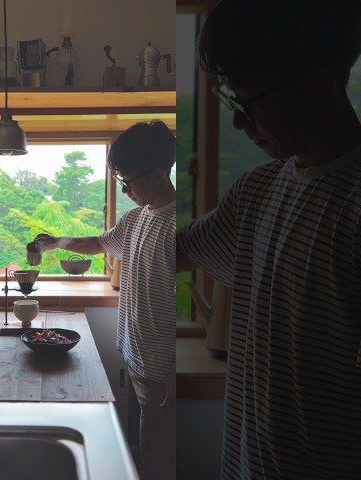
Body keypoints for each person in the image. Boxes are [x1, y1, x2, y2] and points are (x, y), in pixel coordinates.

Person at [176, 1, 361, 479]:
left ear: (317, 86)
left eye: (248, 101)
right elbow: (176, 251)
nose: (240, 123)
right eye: (231, 101)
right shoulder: (257, 192)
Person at [34, 120, 176, 480]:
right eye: (120, 181)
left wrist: (179, 371)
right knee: (144, 442)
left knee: (160, 452)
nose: (126, 189)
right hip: (135, 352)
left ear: (159, 173)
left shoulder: (183, 226)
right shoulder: (135, 219)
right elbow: (98, 243)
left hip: (164, 366)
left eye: (129, 180)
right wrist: (57, 242)